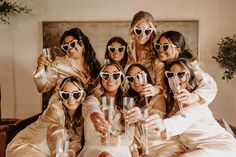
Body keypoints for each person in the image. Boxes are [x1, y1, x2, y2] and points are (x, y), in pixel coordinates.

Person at [145, 58, 236, 157]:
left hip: (219, 145)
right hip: (197, 148)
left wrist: (163, 124)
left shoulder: (196, 101)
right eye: (171, 75)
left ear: (189, 76)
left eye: (180, 74)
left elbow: (183, 120)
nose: (175, 79)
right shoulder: (172, 103)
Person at [6, 76, 86, 157]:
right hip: (25, 146)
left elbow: (75, 145)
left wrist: (69, 154)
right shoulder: (55, 108)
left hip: (45, 153)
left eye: (76, 94)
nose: (71, 99)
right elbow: (56, 132)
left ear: (82, 95)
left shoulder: (80, 117)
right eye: (65, 95)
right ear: (60, 96)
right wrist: (59, 153)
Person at [125, 63, 184, 157]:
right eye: (131, 79)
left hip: (163, 144)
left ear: (146, 76)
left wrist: (140, 116)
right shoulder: (130, 102)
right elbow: (131, 133)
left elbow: (155, 118)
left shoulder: (157, 97)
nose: (136, 81)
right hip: (146, 149)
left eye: (139, 76)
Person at [33, 27, 101, 108]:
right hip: (62, 111)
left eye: (72, 44)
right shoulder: (59, 64)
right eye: (65, 46)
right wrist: (40, 66)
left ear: (82, 43)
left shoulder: (94, 64)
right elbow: (42, 87)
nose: (69, 48)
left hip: (86, 110)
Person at [78, 63, 135, 157]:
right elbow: (92, 110)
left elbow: (129, 137)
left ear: (121, 78)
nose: (110, 79)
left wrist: (115, 139)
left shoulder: (128, 104)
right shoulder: (91, 99)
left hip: (120, 149)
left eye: (115, 75)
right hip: (95, 149)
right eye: (105, 75)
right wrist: (98, 120)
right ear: (101, 79)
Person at [153, 30, 217, 107]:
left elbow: (210, 85)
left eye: (165, 46)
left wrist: (192, 97)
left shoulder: (188, 67)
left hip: (190, 111)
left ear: (178, 50)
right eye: (158, 46)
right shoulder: (160, 66)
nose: (160, 50)